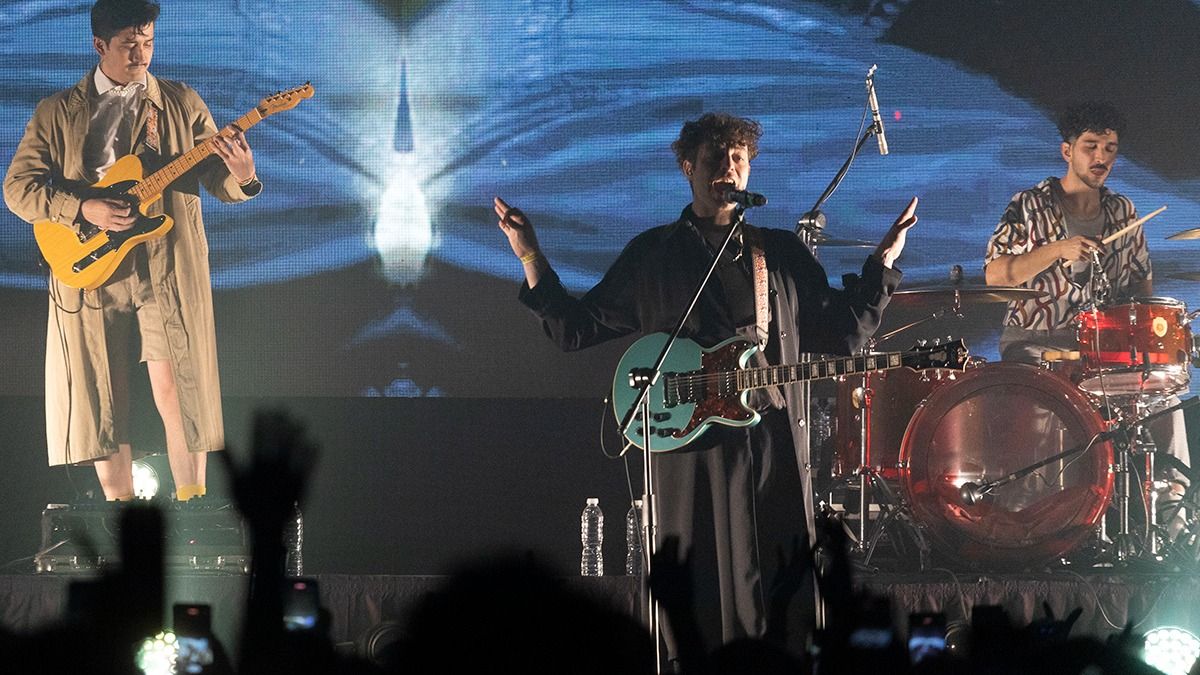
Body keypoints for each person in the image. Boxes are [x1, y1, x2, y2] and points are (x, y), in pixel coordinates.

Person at [494, 112, 918, 658]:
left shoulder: (779, 254)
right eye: (717, 157)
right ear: (688, 168)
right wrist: (530, 253)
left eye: (739, 158)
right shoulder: (653, 254)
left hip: (764, 446)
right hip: (684, 450)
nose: (729, 168)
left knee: (775, 576)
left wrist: (883, 263)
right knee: (693, 582)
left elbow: (844, 333)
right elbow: (576, 329)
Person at [3, 0, 262, 502]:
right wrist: (82, 209)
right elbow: (18, 189)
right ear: (99, 45)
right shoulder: (57, 111)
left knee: (177, 386)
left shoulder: (181, 103)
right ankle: (120, 516)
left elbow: (214, 175)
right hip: (91, 262)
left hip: (164, 260)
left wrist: (244, 178)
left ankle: (192, 507)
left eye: (147, 42)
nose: (141, 54)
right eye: (128, 45)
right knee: (105, 395)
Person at [984, 101, 1189, 521]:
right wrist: (1058, 250)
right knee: (1047, 412)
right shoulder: (1029, 206)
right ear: (1067, 151)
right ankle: (1038, 516)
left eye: (1110, 148)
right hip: (1037, 345)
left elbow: (1140, 292)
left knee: (1163, 398)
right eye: (1091, 146)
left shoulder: (1122, 212)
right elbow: (994, 275)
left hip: (1103, 352)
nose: (1101, 158)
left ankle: (1171, 520)